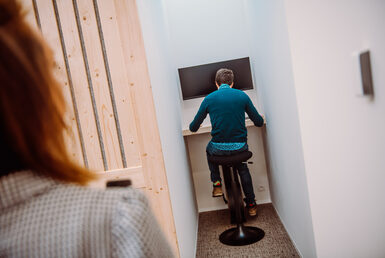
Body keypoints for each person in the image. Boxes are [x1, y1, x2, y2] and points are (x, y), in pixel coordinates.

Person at [0, 1, 173, 257]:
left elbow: (194, 125)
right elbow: (257, 122)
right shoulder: (116, 219)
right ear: (35, 99)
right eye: (52, 69)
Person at [189, 68, 264, 216]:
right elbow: (259, 122)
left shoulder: (209, 99)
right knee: (242, 168)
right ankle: (251, 205)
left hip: (218, 150)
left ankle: (217, 183)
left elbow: (193, 127)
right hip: (240, 148)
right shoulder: (242, 96)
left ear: (216, 84)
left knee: (208, 148)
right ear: (232, 83)